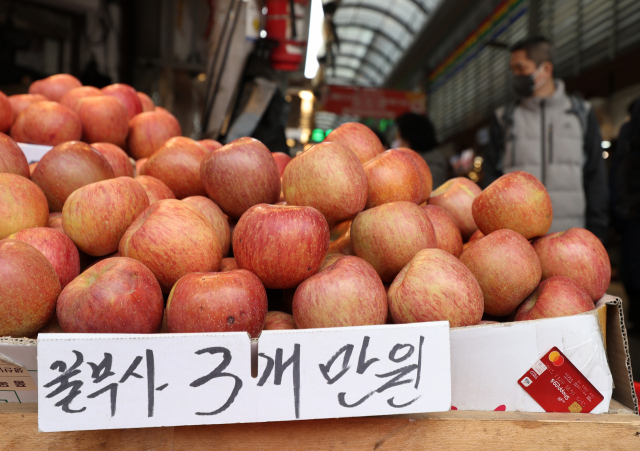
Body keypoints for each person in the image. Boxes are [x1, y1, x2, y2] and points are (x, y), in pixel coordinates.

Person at [484, 36, 608, 240]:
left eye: (521, 68)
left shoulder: (581, 113)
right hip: (518, 239)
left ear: (546, 70)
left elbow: (596, 175)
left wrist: (597, 229)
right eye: (512, 69)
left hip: (571, 236)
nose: (515, 75)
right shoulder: (503, 118)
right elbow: (491, 175)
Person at [610, 99, 640, 331]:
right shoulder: (629, 131)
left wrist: (618, 215)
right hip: (631, 213)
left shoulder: (628, 131)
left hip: (631, 213)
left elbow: (617, 175)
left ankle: (636, 318)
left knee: (633, 268)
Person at [394, 112, 447, 190]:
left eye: (399, 138)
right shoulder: (416, 163)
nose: (397, 142)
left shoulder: (432, 168)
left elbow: (428, 194)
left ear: (408, 140)